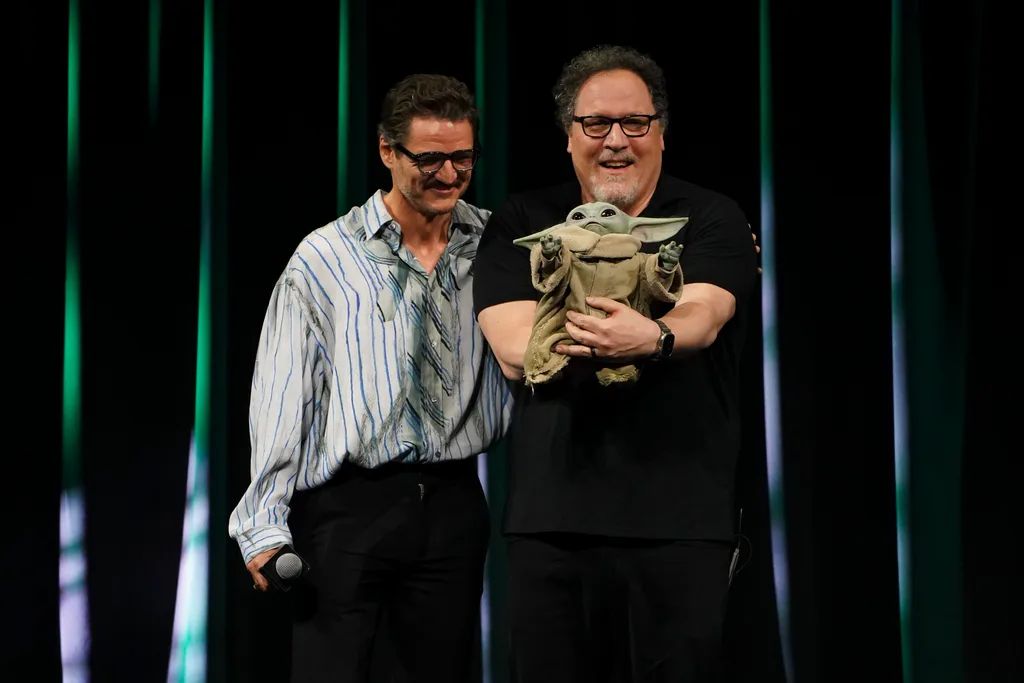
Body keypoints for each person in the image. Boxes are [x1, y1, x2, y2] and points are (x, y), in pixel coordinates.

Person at [473, 45, 760, 682]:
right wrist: (629, 332)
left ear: (660, 130)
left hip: (681, 522)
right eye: (595, 124)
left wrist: (652, 338)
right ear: (568, 136)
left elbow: (703, 317)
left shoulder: (711, 217)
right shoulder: (522, 221)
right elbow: (518, 351)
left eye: (635, 123)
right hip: (553, 524)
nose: (615, 142)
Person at [229, 73, 511, 683]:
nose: (448, 173)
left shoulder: (499, 246)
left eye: (462, 158)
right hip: (347, 512)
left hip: (455, 507)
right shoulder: (325, 258)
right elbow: (282, 395)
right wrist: (263, 525)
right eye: (429, 158)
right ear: (388, 151)